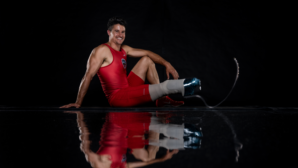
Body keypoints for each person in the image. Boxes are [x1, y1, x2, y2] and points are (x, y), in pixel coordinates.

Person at [60, 17, 201, 108]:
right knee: (163, 87)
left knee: (146, 60)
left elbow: (147, 53)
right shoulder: (101, 50)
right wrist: (78, 102)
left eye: (123, 32)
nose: (120, 35)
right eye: (116, 31)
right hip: (118, 97)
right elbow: (88, 76)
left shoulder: (124, 49)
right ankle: (183, 86)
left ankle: (162, 100)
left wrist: (167, 64)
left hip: (127, 88)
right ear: (108, 32)